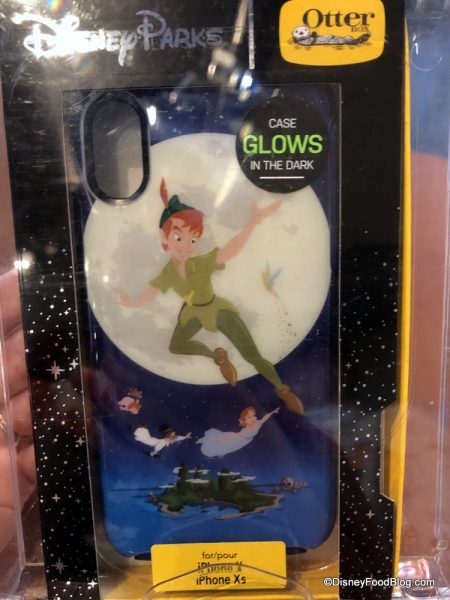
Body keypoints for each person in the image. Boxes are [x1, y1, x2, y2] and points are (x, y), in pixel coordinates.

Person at [116, 178, 303, 415]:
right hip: (193, 312)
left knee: (251, 354)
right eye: (179, 238)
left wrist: (252, 223)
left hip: (217, 310)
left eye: (193, 240)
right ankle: (218, 357)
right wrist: (131, 302)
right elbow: (151, 292)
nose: (186, 246)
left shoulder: (200, 263)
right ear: (165, 238)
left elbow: (229, 251)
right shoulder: (168, 272)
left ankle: (282, 390)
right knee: (176, 345)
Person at [197, 406, 280, 458]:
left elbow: (264, 418)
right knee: (224, 445)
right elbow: (234, 436)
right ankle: (213, 443)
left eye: (253, 415)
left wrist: (273, 412)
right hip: (238, 439)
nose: (252, 418)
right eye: (249, 417)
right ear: (245, 421)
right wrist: (222, 439)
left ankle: (218, 444)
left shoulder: (258, 423)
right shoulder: (246, 428)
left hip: (245, 441)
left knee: (229, 448)